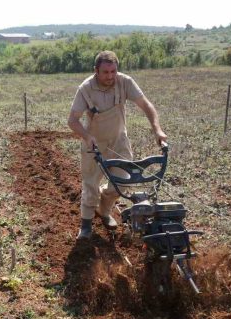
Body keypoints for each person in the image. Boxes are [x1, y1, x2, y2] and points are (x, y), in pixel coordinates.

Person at [68, 50, 167, 239]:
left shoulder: (125, 82)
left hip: (119, 141)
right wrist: (87, 137)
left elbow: (146, 105)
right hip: (94, 143)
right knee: (90, 184)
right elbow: (72, 120)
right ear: (96, 71)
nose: (110, 76)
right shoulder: (86, 88)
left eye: (113, 71)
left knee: (120, 184)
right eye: (105, 72)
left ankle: (104, 212)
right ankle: (86, 226)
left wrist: (157, 129)